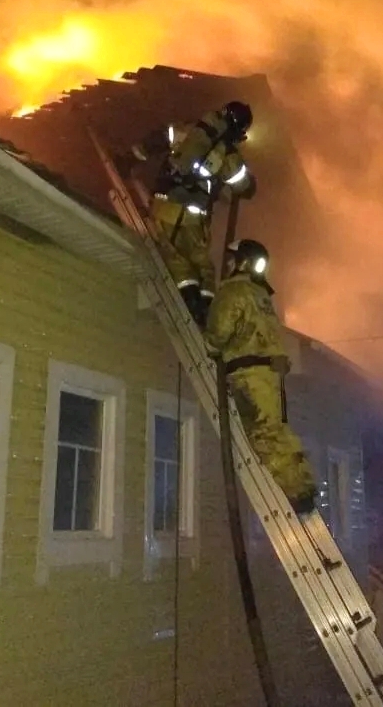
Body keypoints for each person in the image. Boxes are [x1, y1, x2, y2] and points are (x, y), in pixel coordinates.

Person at [117, 101, 257, 328]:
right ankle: (201, 315)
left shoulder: (190, 130)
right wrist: (248, 178)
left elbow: (154, 141)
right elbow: (245, 188)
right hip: (192, 218)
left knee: (177, 261)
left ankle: (192, 305)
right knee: (204, 270)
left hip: (162, 208)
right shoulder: (229, 155)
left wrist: (128, 159)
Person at [203, 238, 317, 514]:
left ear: (241, 261)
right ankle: (303, 485)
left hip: (248, 375)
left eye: (231, 260)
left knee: (263, 435)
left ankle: (295, 492)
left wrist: (210, 341)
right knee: (278, 431)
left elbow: (217, 335)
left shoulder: (232, 292)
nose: (228, 264)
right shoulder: (261, 295)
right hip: (268, 375)